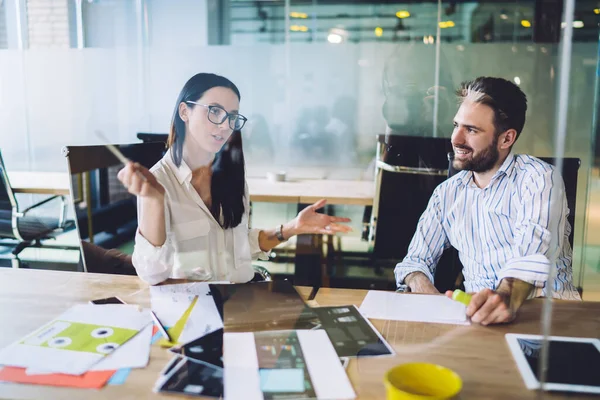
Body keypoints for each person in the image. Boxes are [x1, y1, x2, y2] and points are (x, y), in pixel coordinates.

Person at [118, 73, 351, 285]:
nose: (224, 125)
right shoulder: (158, 182)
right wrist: (154, 200)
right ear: (184, 112)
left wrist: (291, 228)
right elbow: (151, 274)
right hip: (193, 311)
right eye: (214, 111)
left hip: (241, 302)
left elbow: (235, 244)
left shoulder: (230, 174)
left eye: (231, 117)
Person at [394, 76, 581, 326]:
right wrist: (429, 295)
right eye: (456, 125)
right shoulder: (447, 193)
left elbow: (530, 260)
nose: (456, 139)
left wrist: (505, 297)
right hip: (478, 322)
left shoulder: (538, 179)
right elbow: (413, 262)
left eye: (471, 130)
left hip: (548, 322)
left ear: (506, 139)